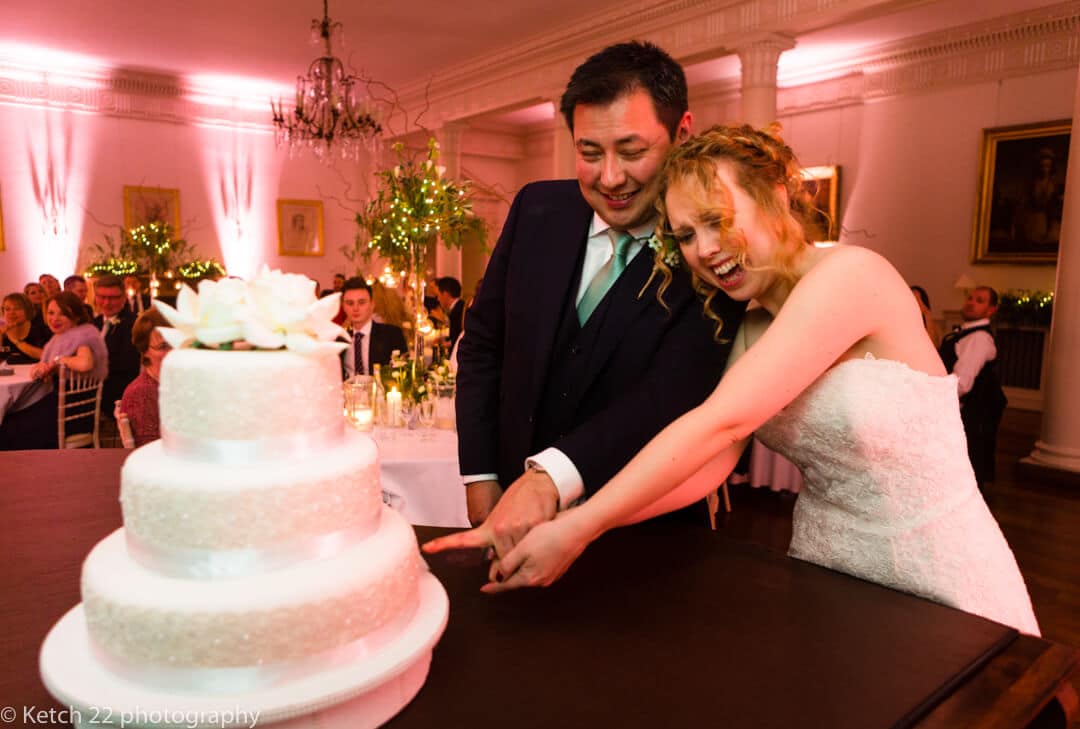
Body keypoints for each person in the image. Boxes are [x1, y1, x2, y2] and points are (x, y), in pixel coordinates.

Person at [427, 124, 1039, 636]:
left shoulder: (855, 275)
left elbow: (722, 419)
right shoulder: (747, 328)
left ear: (775, 192)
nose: (705, 250)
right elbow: (710, 464)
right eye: (686, 236)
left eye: (717, 220)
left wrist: (577, 525)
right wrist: (573, 527)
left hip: (937, 572)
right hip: (828, 569)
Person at [454, 41, 745, 534]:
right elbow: (484, 343)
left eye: (632, 151)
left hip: (645, 531)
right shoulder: (536, 209)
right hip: (509, 514)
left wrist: (552, 480)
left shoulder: (713, 248)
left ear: (682, 133)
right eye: (589, 152)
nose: (610, 178)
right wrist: (481, 477)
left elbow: (667, 397)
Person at [0, 292, 109, 450]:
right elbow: (44, 366)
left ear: (76, 316)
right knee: (9, 419)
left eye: (63, 313)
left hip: (71, 415)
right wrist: (43, 367)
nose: (54, 319)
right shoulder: (61, 337)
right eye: (51, 313)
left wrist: (58, 361)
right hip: (62, 408)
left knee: (6, 430)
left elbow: (85, 363)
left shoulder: (82, 336)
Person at [938, 286, 1008, 489]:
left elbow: (962, 383)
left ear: (991, 310)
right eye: (970, 298)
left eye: (979, 300)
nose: (971, 302)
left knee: (968, 468)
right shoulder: (965, 333)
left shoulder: (979, 338)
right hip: (966, 409)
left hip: (974, 412)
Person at [118, 308, 171, 446]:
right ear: (144, 350)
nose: (174, 351)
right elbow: (150, 451)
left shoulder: (173, 384)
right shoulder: (142, 394)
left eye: (177, 343)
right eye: (164, 346)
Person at [339, 277, 406, 379]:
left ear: (372, 305)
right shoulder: (339, 339)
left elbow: (403, 372)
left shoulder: (392, 334)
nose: (355, 308)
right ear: (343, 306)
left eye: (361, 302)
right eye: (350, 303)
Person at [93, 275, 141, 414]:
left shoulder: (133, 324)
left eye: (113, 298)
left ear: (123, 298)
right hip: (93, 386)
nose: (106, 303)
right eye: (101, 297)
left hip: (118, 391)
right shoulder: (93, 323)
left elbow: (127, 364)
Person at [1, 293, 52, 363]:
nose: (12, 313)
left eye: (17, 308)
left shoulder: (41, 331)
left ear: (27, 310)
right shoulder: (3, 333)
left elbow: (45, 355)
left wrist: (16, 341)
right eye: (7, 309)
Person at [434, 276, 465, 349]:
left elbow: (461, 336)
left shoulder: (459, 310)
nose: (438, 299)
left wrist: (446, 344)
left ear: (445, 294)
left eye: (438, 295)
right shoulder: (459, 306)